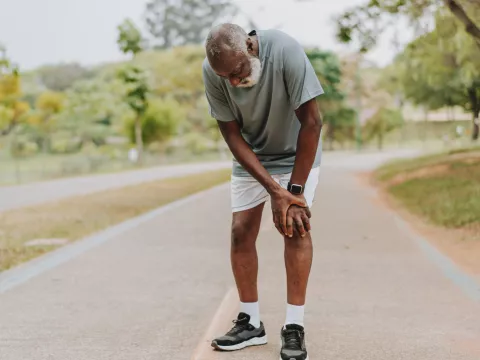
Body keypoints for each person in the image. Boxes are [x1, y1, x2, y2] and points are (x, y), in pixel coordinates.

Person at [202, 23, 324, 360]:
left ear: (250, 47)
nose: (233, 82)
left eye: (237, 71)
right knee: (240, 231)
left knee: (295, 227)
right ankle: (250, 322)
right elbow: (230, 133)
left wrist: (293, 194)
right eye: (225, 76)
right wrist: (274, 190)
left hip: (297, 152)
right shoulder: (215, 72)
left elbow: (312, 122)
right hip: (252, 158)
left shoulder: (285, 51)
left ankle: (294, 327)